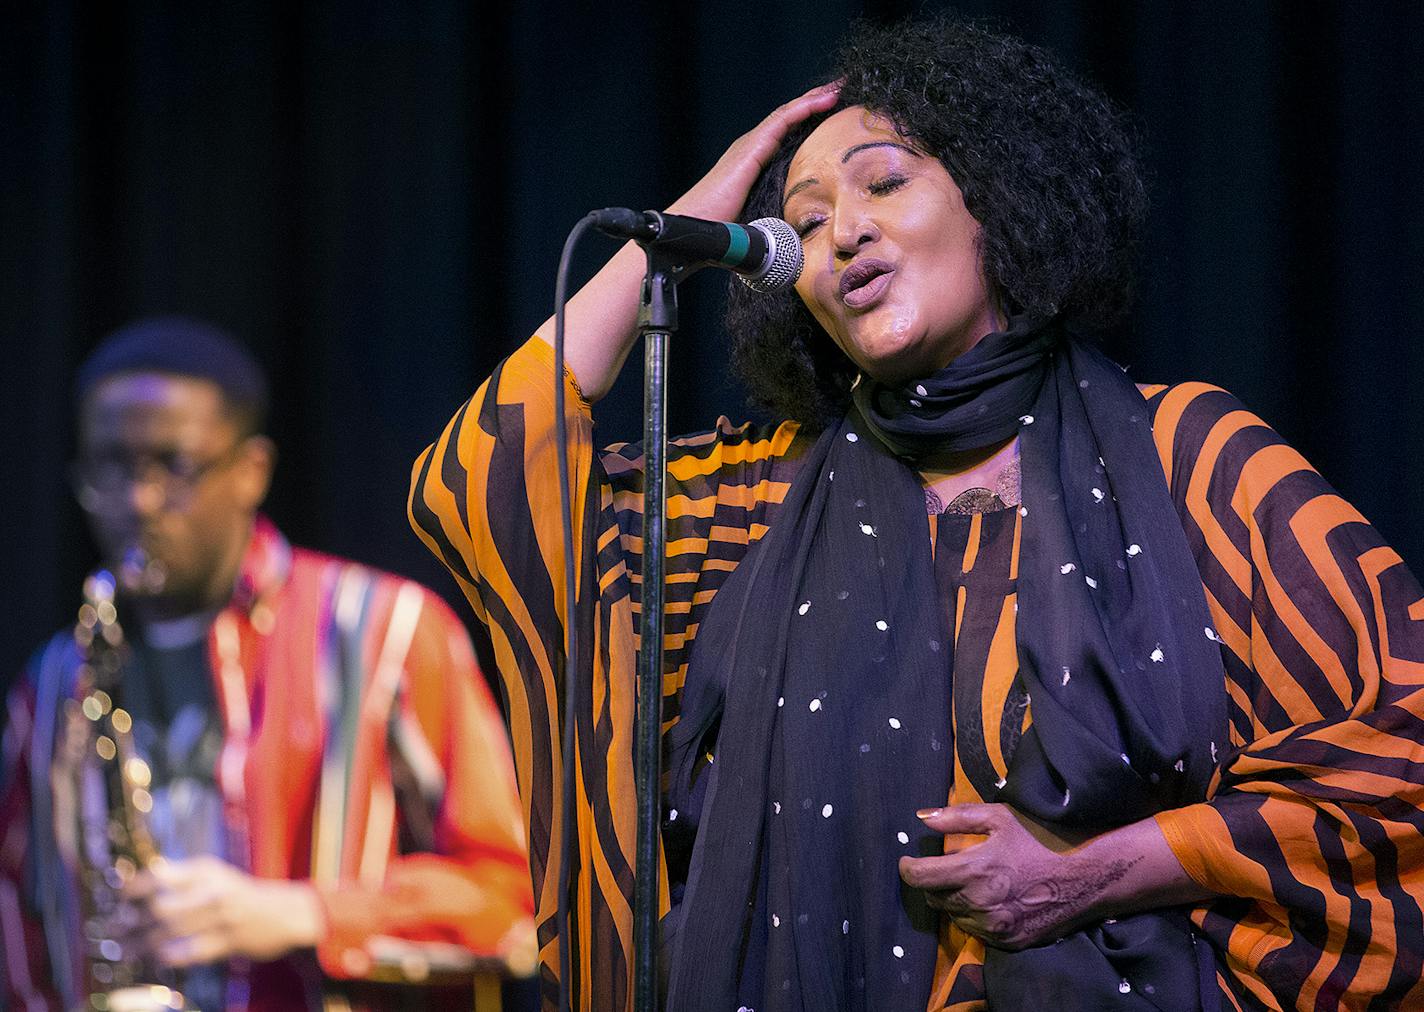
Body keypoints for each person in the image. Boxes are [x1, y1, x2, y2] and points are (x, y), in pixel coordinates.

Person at [409, 15, 1424, 1011]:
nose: (841, 231)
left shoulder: (1187, 459)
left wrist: (1109, 869)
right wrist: (682, 226)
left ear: (999, 198)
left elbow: (1403, 760)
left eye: (883, 184)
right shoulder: (748, 500)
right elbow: (484, 486)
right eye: (799, 224)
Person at [1, 317, 536, 1011]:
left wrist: (303, 915)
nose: (137, 502)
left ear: (251, 470)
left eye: (174, 465)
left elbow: (511, 899)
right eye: (110, 466)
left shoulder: (388, 632)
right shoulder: (50, 681)